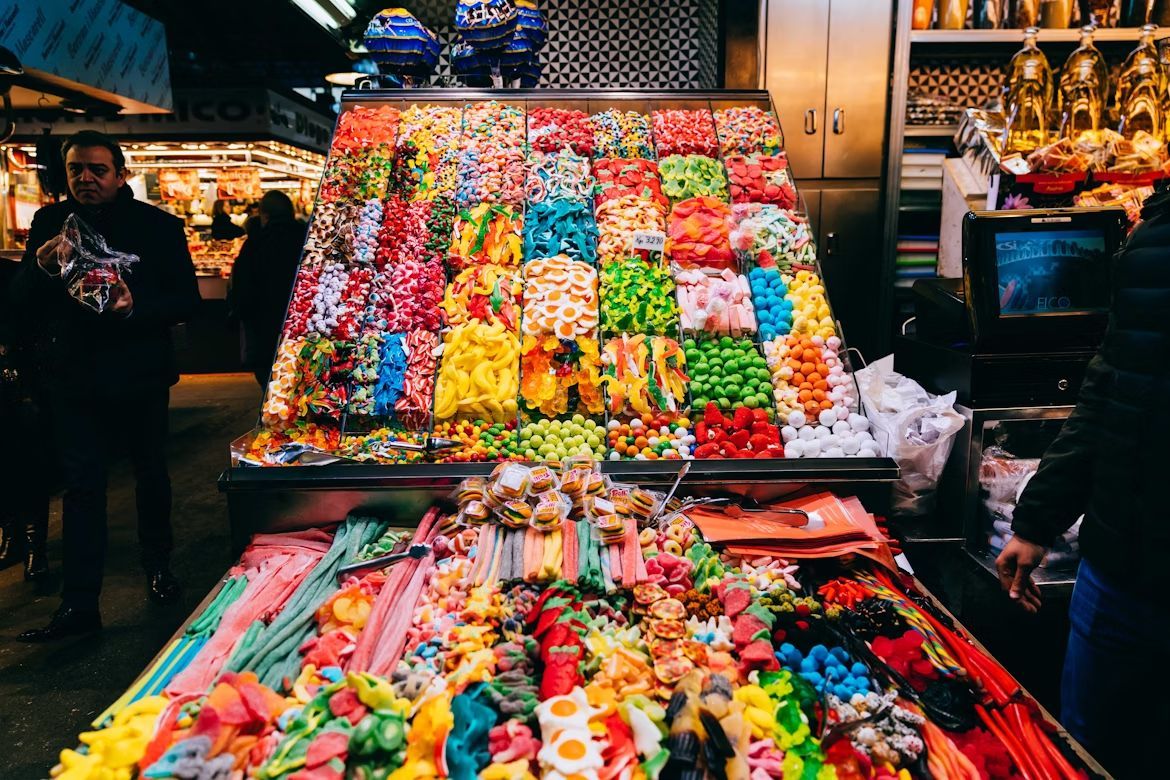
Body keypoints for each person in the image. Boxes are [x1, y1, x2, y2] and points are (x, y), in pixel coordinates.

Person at [996, 185, 1170, 778]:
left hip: (1126, 556)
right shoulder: (1153, 242)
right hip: (1119, 563)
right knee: (1086, 746)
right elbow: (1108, 391)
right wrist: (1036, 521)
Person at [8, 130, 201, 642]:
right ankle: (79, 602)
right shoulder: (49, 223)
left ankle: (158, 565)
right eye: (76, 169)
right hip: (73, 379)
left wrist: (135, 307)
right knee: (82, 486)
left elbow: (186, 299)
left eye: (97, 169)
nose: (86, 179)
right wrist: (40, 268)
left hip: (139, 374)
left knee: (150, 473)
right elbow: (20, 300)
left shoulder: (158, 226)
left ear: (120, 174)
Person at [226, 191, 305, 386]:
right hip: (302, 320)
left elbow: (242, 287)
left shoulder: (255, 243)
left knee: (270, 378)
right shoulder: (306, 238)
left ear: (264, 215)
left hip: (264, 324)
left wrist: (238, 313)